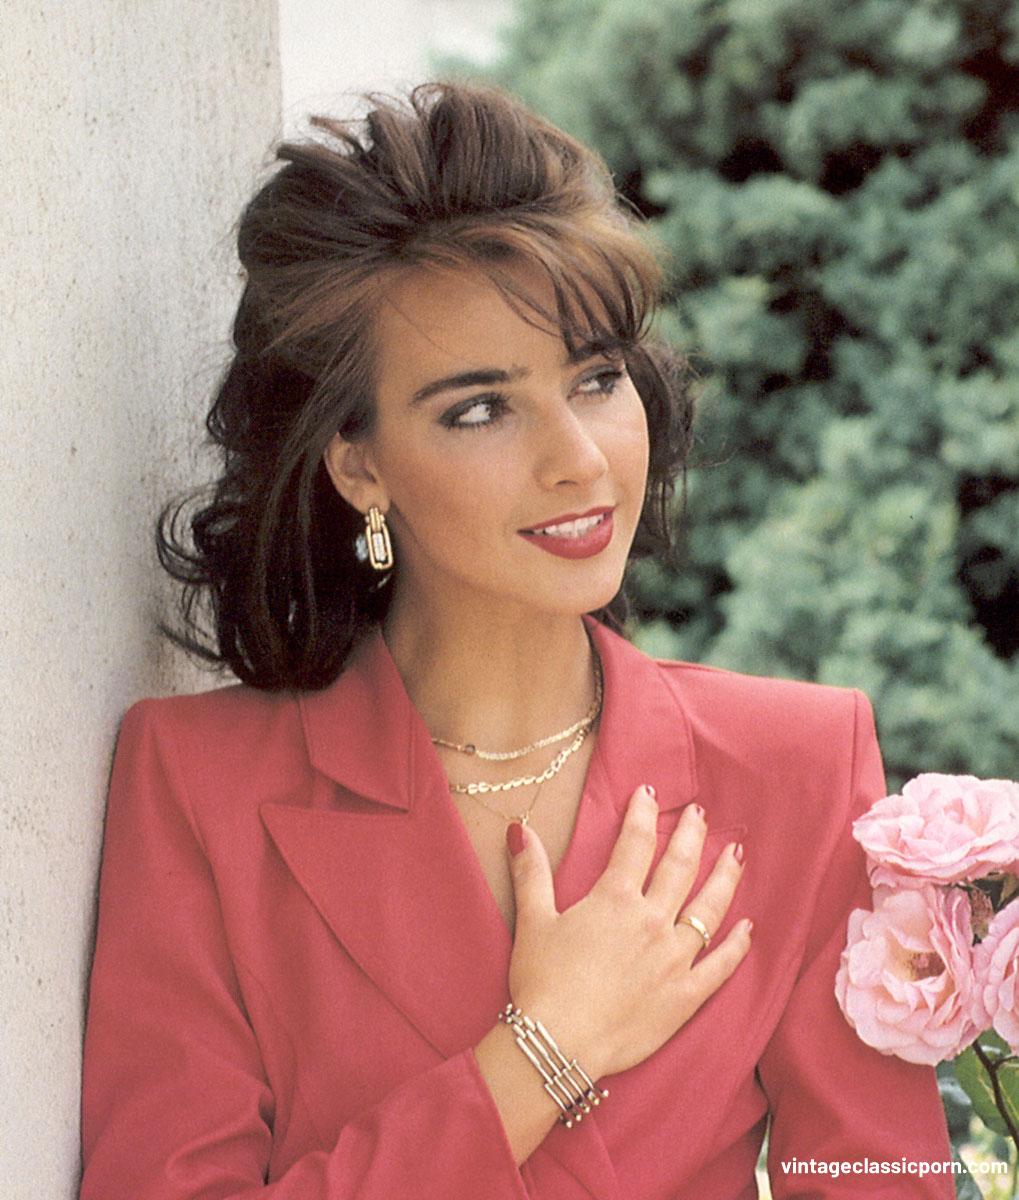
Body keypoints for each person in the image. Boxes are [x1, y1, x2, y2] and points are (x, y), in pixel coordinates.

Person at [79, 81, 955, 1198]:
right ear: (359, 464)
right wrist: (541, 1054)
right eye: (480, 408)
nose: (578, 459)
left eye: (596, 380)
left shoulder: (800, 767)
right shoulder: (197, 784)